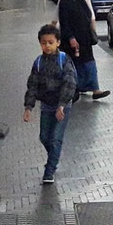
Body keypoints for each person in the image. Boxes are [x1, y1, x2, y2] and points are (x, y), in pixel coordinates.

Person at [24, 24, 77, 184]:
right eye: (43, 43)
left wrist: (62, 105)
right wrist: (28, 107)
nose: (47, 46)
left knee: (55, 138)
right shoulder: (38, 63)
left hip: (63, 105)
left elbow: (69, 82)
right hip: (47, 106)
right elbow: (32, 85)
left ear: (58, 43)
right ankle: (54, 157)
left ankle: (49, 171)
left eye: (50, 42)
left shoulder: (64, 60)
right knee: (44, 137)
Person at [57, 0, 110, 101]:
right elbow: (64, 22)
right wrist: (71, 38)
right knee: (75, 65)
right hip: (73, 41)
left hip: (84, 40)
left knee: (89, 63)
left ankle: (95, 89)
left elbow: (88, 14)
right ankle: (75, 89)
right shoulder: (65, 1)